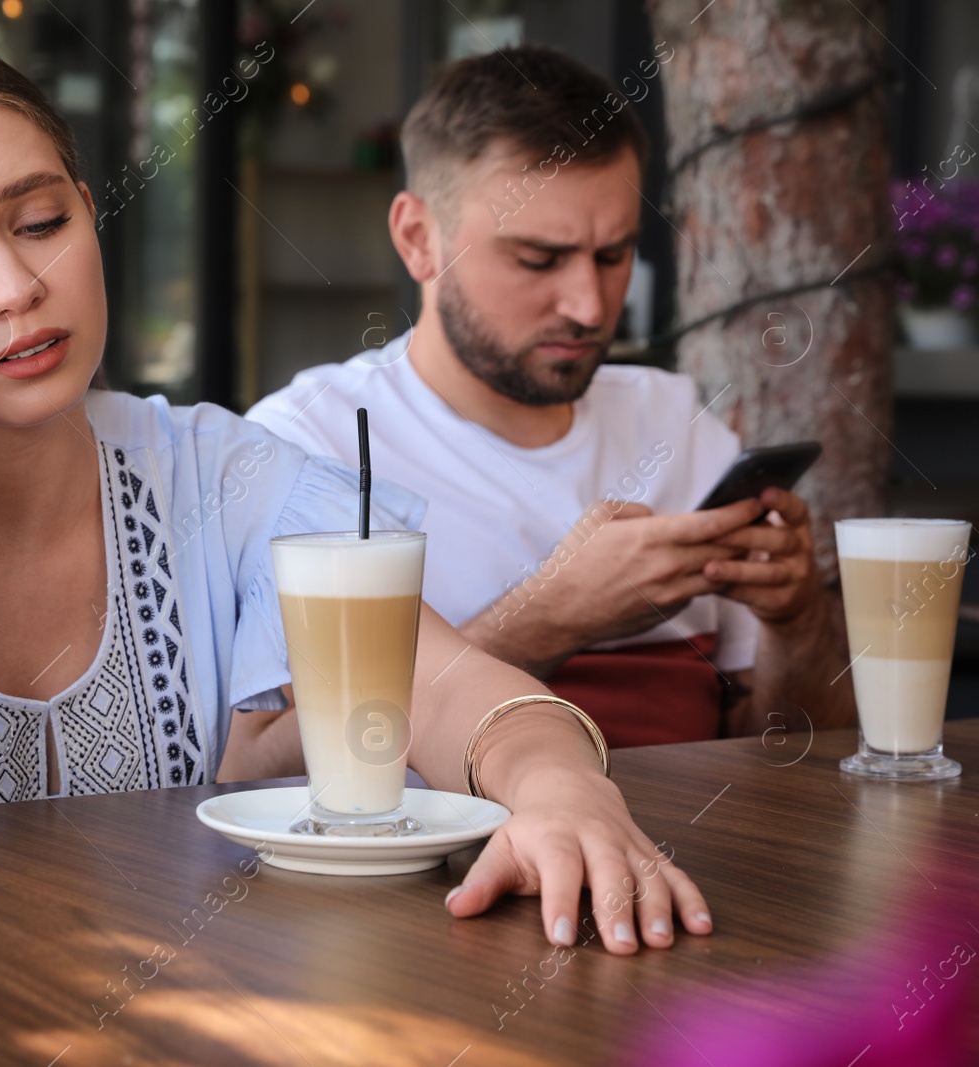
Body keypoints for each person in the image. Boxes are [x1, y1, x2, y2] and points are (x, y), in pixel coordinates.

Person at [0, 35, 710, 954]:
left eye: (43, 220)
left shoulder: (218, 470)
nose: (14, 285)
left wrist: (563, 789)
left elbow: (453, 688)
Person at [248, 45, 853, 749]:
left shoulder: (674, 422)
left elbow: (789, 761)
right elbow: (264, 766)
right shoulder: (308, 445)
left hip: (696, 848)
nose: (590, 306)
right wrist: (556, 613)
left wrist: (797, 624)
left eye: (613, 255)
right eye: (538, 259)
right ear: (419, 240)